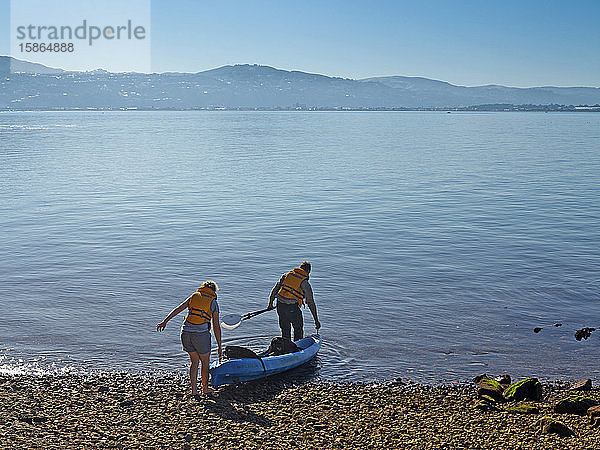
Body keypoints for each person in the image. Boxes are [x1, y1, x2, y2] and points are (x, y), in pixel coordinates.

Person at [156, 281, 222, 396]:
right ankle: (205, 389)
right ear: (214, 291)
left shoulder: (194, 296)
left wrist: (165, 321)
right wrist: (220, 346)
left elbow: (178, 309)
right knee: (205, 362)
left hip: (185, 333)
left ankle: (194, 391)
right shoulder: (213, 303)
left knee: (194, 361)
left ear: (203, 287)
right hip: (201, 335)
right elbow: (216, 326)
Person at [267, 261, 321, 341]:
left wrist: (270, 304)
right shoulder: (304, 283)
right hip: (292, 308)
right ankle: (297, 350)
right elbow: (310, 303)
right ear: (308, 271)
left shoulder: (286, 276)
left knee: (285, 330)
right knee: (298, 330)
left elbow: (275, 290)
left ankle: (285, 349)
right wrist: (316, 321)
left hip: (280, 306)